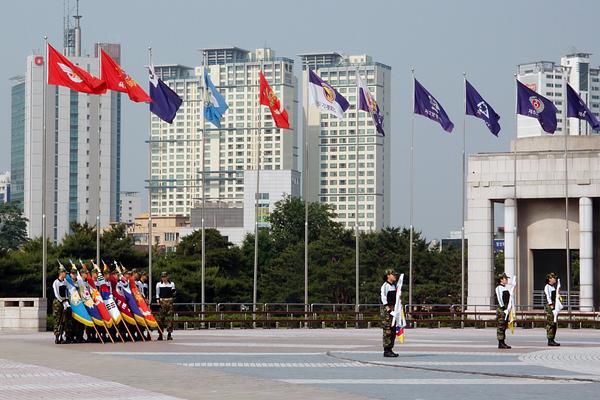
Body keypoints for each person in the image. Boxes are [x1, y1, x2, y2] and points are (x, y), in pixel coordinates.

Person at [380, 269, 399, 357]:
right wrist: (389, 310)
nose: (395, 276)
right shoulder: (385, 286)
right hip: (387, 310)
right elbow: (383, 298)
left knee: (393, 330)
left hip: (393, 309)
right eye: (393, 274)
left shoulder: (394, 286)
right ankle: (386, 350)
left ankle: (390, 348)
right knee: (387, 330)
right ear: (388, 276)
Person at [52, 266, 70, 344]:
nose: (65, 274)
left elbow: (67, 292)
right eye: (64, 273)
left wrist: (66, 300)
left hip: (64, 302)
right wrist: (61, 301)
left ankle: (61, 336)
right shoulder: (56, 282)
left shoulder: (65, 282)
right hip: (58, 302)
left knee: (63, 320)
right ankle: (57, 336)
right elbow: (56, 293)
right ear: (60, 273)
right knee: (57, 320)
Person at [156, 271, 176, 341]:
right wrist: (157, 300)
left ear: (167, 277)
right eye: (162, 277)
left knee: (170, 319)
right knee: (161, 319)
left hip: (169, 301)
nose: (164, 278)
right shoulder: (159, 284)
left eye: (165, 277)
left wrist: (173, 291)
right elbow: (157, 293)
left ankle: (169, 334)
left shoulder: (171, 284)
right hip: (162, 301)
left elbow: (174, 293)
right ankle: (160, 334)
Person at [495, 273, 512, 349]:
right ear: (501, 279)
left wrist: (508, 309)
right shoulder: (499, 288)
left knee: (504, 326)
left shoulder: (505, 288)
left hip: (506, 309)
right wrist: (503, 308)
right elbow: (499, 299)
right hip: (502, 310)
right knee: (501, 326)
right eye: (505, 278)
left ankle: (503, 342)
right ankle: (500, 342)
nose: (507, 280)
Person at [544, 273, 560, 346]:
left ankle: (552, 339)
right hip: (551, 307)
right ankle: (550, 340)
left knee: (554, 323)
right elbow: (548, 297)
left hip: (554, 306)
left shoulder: (553, 287)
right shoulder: (547, 287)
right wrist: (552, 306)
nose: (555, 279)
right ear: (550, 279)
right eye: (553, 278)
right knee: (551, 323)